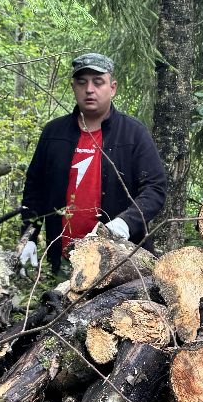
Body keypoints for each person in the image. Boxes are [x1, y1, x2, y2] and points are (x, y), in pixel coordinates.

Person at [19, 52, 167, 273]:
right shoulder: (54, 133)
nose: (89, 89)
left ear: (112, 88)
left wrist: (126, 223)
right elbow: (34, 189)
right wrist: (28, 236)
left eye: (98, 82)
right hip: (64, 259)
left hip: (122, 259)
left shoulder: (133, 133)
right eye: (82, 82)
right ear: (73, 87)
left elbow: (155, 188)